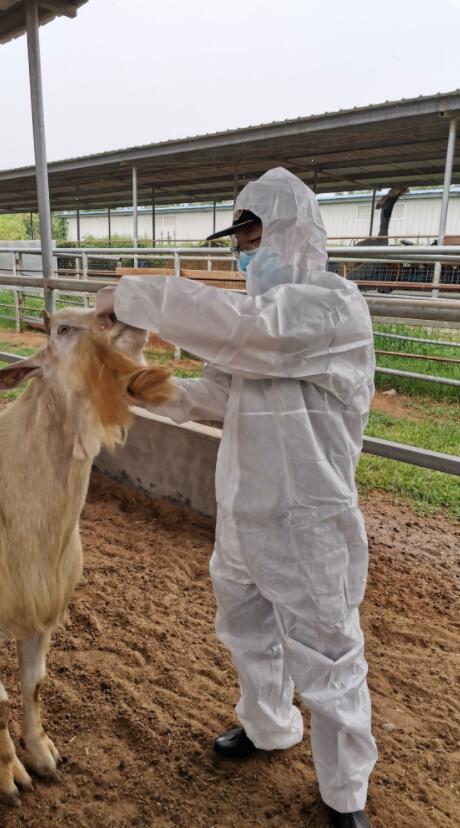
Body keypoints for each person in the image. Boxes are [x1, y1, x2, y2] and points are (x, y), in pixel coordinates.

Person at [96, 167, 377, 828]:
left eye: (254, 239)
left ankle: (345, 794)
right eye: (241, 243)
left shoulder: (332, 307)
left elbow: (254, 333)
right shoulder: (256, 324)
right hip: (245, 508)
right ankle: (268, 725)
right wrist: (149, 388)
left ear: (295, 235)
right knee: (248, 632)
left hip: (308, 520)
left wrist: (135, 294)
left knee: (327, 654)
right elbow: (222, 391)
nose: (245, 255)